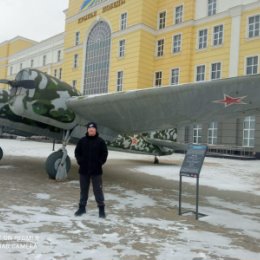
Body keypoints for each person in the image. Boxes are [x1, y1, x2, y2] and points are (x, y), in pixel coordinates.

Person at [74, 122, 108, 218]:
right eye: (89, 129)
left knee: (98, 190)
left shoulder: (101, 141)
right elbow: (77, 152)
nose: (91, 130)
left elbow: (104, 154)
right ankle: (82, 208)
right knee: (83, 190)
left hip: (96, 171)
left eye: (93, 129)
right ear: (87, 130)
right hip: (84, 170)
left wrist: (100, 162)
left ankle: (101, 209)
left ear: (95, 130)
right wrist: (80, 161)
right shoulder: (82, 141)